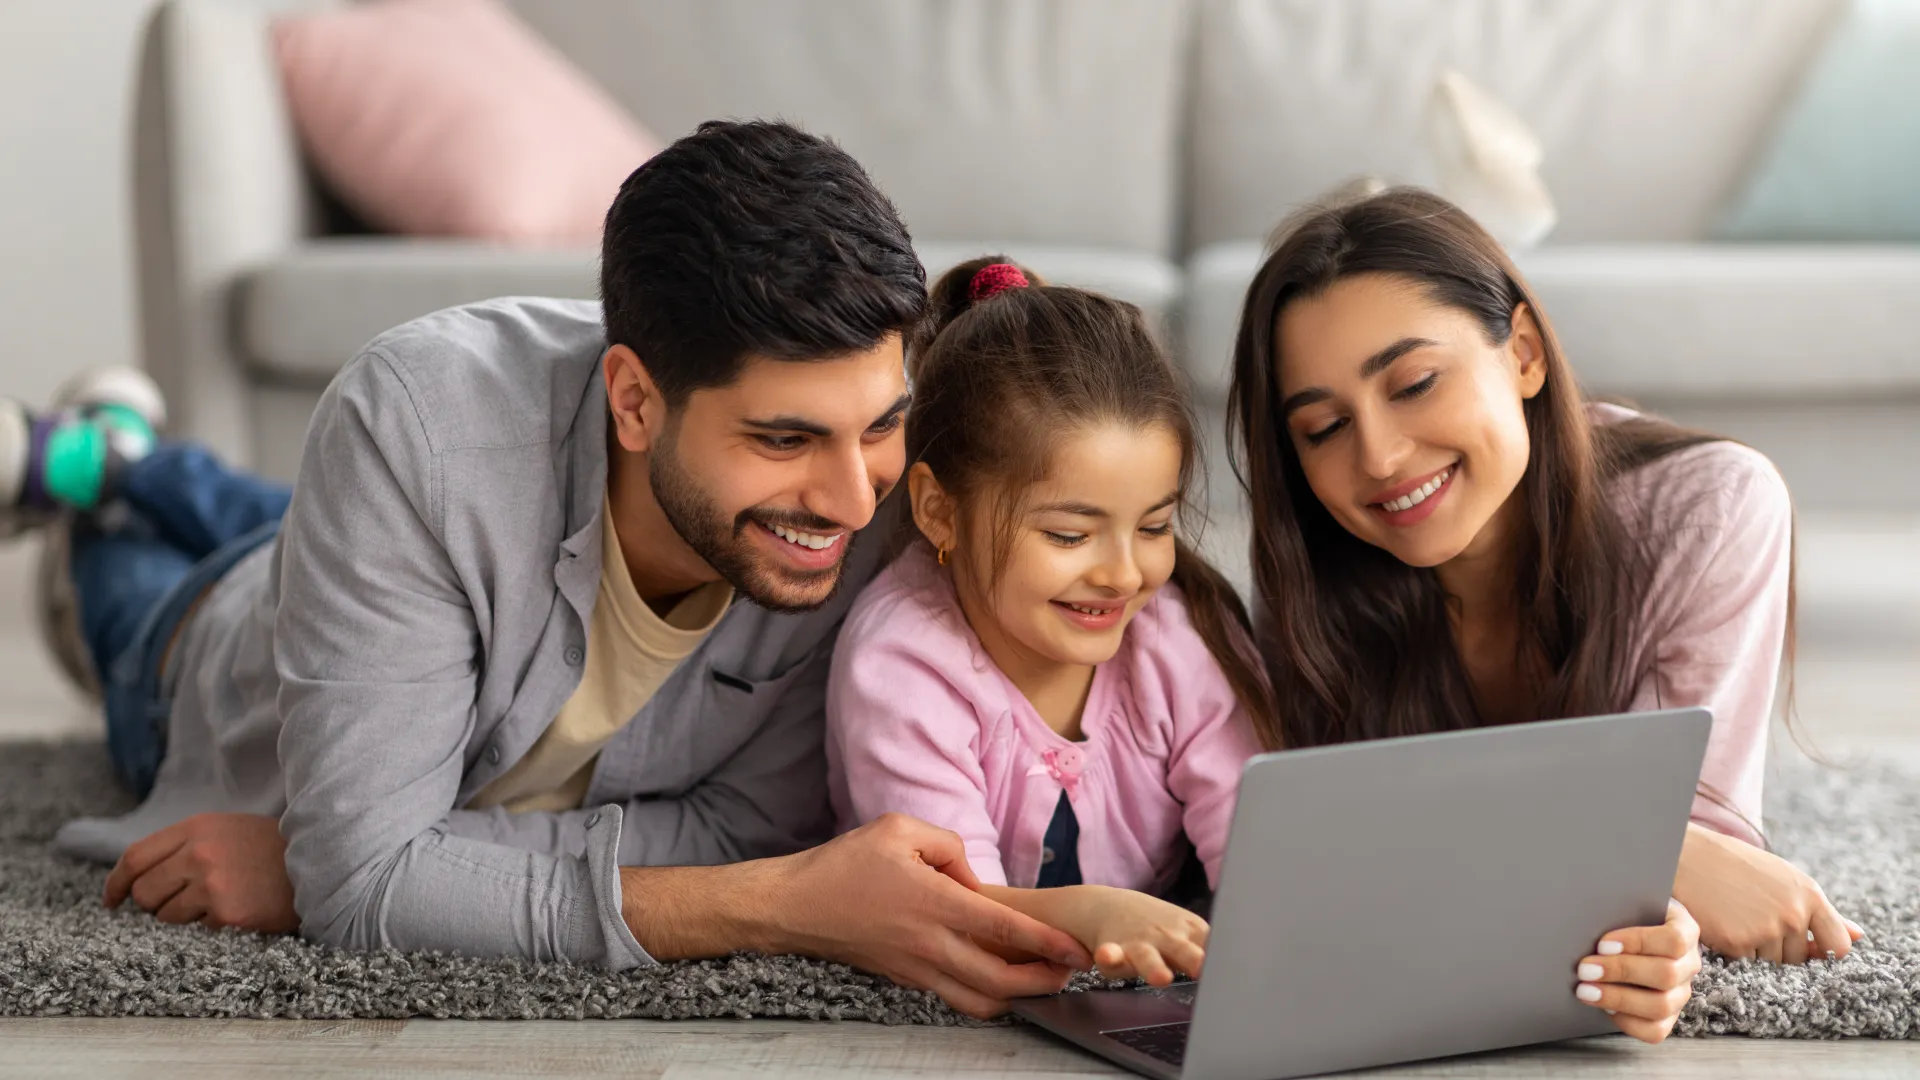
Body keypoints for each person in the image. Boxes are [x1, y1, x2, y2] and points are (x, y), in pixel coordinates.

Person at [0, 120, 1093, 1020]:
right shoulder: (416, 424)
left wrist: (388, 867)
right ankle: (98, 472)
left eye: (879, 429)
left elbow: (735, 826)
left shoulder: (865, 497)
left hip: (397, 561)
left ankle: (119, 454)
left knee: (304, 519)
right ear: (633, 400)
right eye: (783, 441)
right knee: (141, 600)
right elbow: (378, 886)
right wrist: (782, 903)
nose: (859, 503)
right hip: (224, 641)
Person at [1227, 187, 1862, 1041]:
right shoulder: (1314, 565)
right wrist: (1664, 854)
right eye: (1324, 426)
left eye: (1414, 383)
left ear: (1523, 352)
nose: (1376, 456)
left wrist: (1665, 891)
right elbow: (1326, 851)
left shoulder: (1712, 507)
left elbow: (1698, 843)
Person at [826, 259, 1274, 988]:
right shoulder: (901, 661)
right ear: (941, 511)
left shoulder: (1174, 632)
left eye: (1155, 525)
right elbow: (950, 912)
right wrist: (1093, 916)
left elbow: (1261, 855)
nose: (1124, 575)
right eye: (1071, 537)